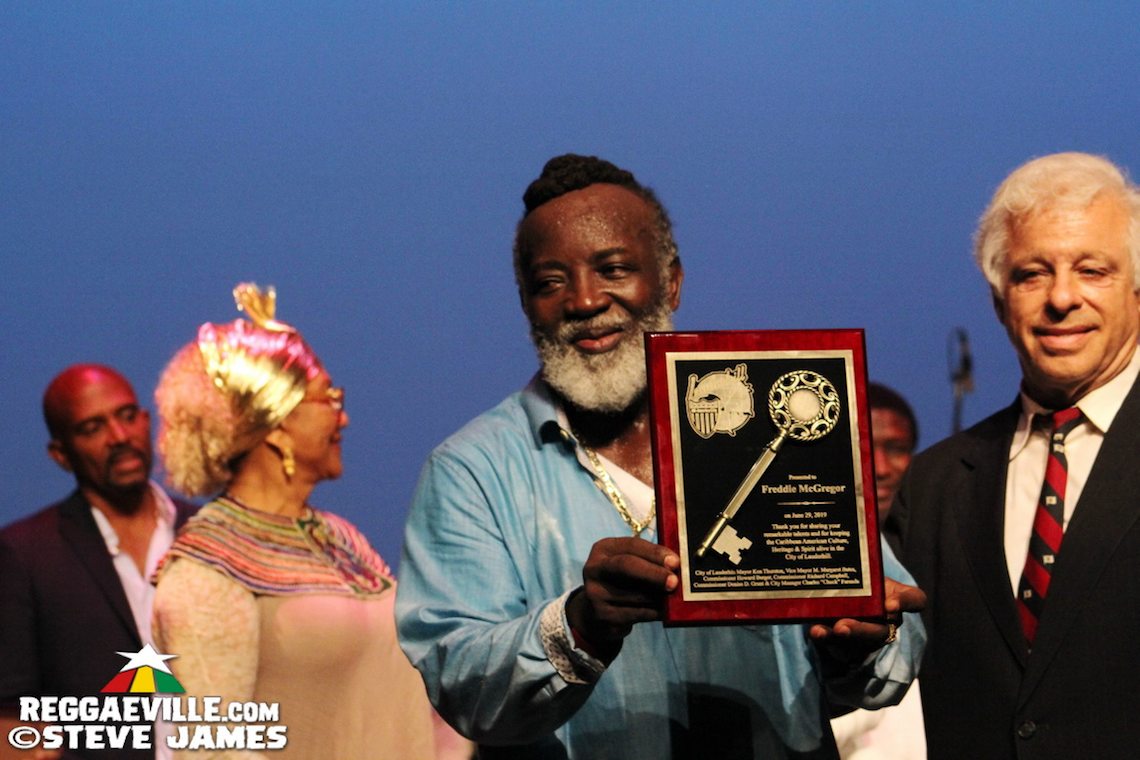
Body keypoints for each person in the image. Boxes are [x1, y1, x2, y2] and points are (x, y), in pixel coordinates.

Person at [396, 154, 926, 759]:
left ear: (671, 281)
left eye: (613, 269)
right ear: (526, 303)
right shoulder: (473, 471)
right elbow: (459, 679)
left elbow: (893, 635)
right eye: (550, 282)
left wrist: (862, 641)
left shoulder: (775, 431)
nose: (584, 300)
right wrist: (578, 626)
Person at [884, 152, 1140, 759]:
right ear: (1000, 303)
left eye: (1092, 270)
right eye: (1031, 274)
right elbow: (879, 670)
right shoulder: (935, 483)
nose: (1062, 298)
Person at [151, 284, 447, 759]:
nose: (343, 418)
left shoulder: (341, 539)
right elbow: (213, 748)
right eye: (328, 398)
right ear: (277, 422)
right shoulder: (207, 571)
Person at [0, 364, 196, 760]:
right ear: (61, 454)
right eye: (92, 428)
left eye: (127, 416)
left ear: (147, 421)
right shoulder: (25, 554)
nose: (119, 437)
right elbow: (10, 716)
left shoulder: (208, 533)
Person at [830, 382, 925, 759]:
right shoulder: (813, 554)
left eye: (897, 449)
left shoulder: (942, 551)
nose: (882, 468)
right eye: (865, 449)